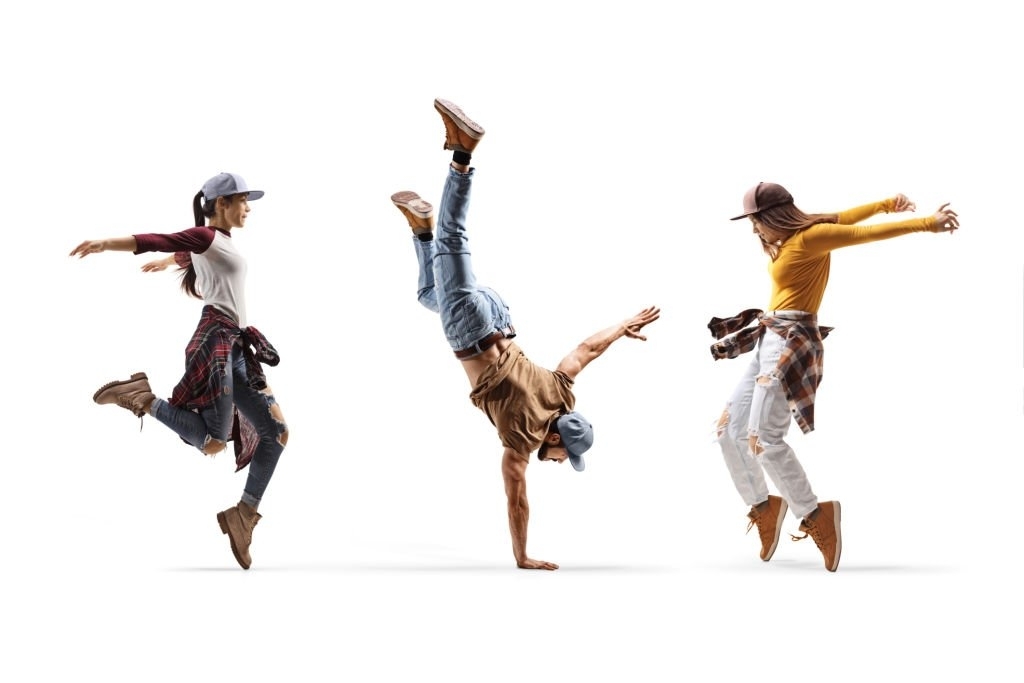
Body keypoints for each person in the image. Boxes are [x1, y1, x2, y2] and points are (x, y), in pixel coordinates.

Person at [391, 98, 660, 570]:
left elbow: (585, 350)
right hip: (470, 332)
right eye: (562, 457)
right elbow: (517, 498)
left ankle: (421, 230)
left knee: (427, 295)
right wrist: (522, 555)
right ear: (555, 440)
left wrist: (621, 327)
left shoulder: (561, 392)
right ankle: (462, 151)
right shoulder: (521, 439)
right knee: (456, 237)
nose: (556, 463)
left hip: (498, 314)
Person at [710, 181, 959, 572]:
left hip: (790, 342)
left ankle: (815, 514)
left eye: (756, 222)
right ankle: (764, 505)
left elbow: (861, 233)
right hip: (769, 338)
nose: (754, 230)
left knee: (765, 439)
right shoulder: (802, 233)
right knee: (729, 431)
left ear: (771, 216)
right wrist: (885, 202)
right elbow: (847, 216)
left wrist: (928, 223)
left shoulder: (811, 238)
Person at [69, 172, 288, 570]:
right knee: (212, 440)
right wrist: (106, 244)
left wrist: (169, 261)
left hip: (235, 347)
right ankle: (143, 399)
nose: (248, 208)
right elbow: (161, 239)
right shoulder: (204, 236)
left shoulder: (218, 243)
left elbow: (184, 253)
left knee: (276, 434)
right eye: (242, 200)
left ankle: (244, 515)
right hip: (215, 346)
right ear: (220, 204)